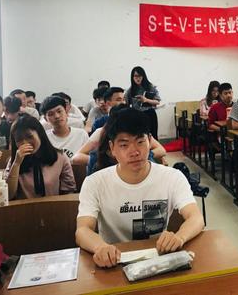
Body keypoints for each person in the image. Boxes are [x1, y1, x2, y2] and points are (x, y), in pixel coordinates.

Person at [75, 108, 204, 267]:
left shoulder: (172, 177)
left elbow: (196, 218)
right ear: (112, 148)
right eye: (124, 145)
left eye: (140, 142)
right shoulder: (94, 183)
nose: (134, 152)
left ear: (149, 141)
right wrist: (100, 247)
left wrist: (180, 237)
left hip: (159, 259)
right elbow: (82, 230)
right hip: (113, 262)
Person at [5, 115, 76, 199]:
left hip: (53, 205)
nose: (25, 143)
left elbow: (69, 190)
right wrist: (17, 164)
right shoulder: (14, 161)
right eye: (19, 140)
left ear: (39, 134)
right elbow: (8, 195)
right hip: (23, 206)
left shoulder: (60, 157)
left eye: (30, 137)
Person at [42, 96, 89, 161]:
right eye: (51, 114)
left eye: (59, 111)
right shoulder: (44, 138)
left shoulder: (82, 134)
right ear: (45, 119)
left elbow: (89, 160)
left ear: (66, 112)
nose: (57, 116)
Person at [124, 66, 161, 140]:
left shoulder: (150, 87)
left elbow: (157, 102)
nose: (138, 78)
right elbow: (126, 105)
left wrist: (146, 100)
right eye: (135, 76)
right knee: (140, 137)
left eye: (140, 76)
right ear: (132, 77)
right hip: (137, 115)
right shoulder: (130, 90)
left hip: (149, 114)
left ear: (143, 76)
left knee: (152, 136)